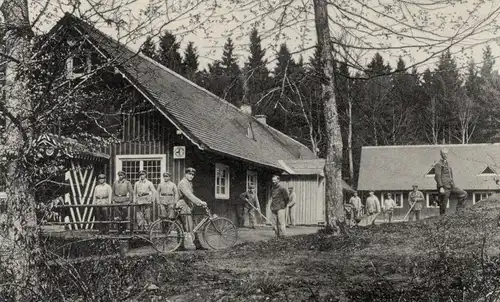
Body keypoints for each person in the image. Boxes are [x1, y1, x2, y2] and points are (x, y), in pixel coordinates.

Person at [434, 148, 468, 215]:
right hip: (444, 187)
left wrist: (453, 184)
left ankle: (458, 212)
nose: (445, 155)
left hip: (451, 186)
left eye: (446, 153)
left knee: (463, 194)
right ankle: (442, 220)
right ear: (441, 154)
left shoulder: (448, 164)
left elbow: (450, 175)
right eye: (444, 153)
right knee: (443, 205)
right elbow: (437, 176)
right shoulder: (438, 164)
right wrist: (440, 187)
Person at [177, 167, 207, 233]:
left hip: (188, 206)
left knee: (190, 226)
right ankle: (188, 242)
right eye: (189, 174)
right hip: (183, 206)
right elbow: (189, 195)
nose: (191, 176)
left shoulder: (189, 183)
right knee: (187, 227)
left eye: (193, 175)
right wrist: (200, 202)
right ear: (185, 174)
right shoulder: (183, 183)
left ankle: (190, 241)